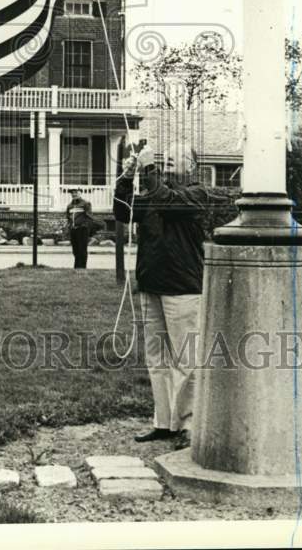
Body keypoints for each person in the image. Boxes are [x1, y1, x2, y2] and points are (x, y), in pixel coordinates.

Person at [113, 141, 231, 448]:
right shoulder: (155, 194)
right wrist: (127, 177)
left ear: (191, 166)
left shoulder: (196, 194)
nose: (167, 162)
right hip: (152, 285)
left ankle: (187, 424)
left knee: (185, 358)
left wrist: (148, 169)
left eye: (174, 158)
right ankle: (164, 422)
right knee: (157, 359)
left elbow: (167, 201)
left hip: (182, 289)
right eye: (164, 159)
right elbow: (122, 211)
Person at [65, 188, 102, 269]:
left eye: (76, 193)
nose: (74, 194)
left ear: (80, 193)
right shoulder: (69, 206)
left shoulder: (85, 204)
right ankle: (76, 267)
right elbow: (68, 217)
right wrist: (69, 226)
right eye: (72, 193)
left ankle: (82, 267)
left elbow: (89, 216)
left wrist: (86, 226)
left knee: (82, 249)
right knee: (75, 250)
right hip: (73, 229)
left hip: (82, 229)